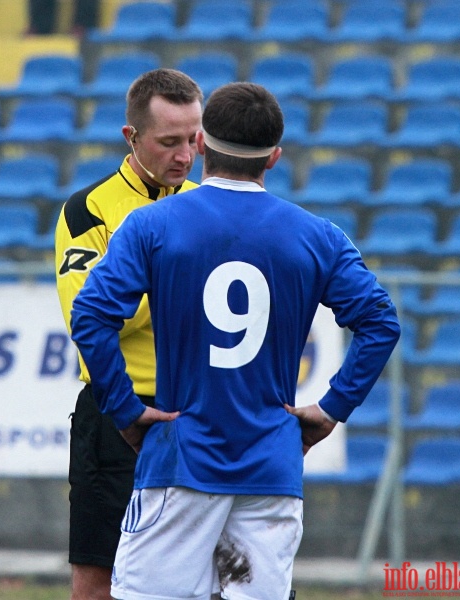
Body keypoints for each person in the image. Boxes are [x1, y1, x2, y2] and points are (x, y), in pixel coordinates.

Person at [70, 82, 401, 600]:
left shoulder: (150, 225)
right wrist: (333, 406)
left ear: (201, 144)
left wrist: (125, 408)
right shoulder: (319, 236)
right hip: (270, 465)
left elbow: (90, 314)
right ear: (275, 156)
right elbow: (381, 323)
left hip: (179, 462)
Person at [55, 68, 204, 600]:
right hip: (116, 412)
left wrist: (142, 280)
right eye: (169, 142)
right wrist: (176, 281)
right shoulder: (88, 209)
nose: (184, 155)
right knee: (99, 581)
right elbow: (89, 316)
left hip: (195, 410)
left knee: (204, 580)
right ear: (132, 137)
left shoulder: (205, 206)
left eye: (193, 139)